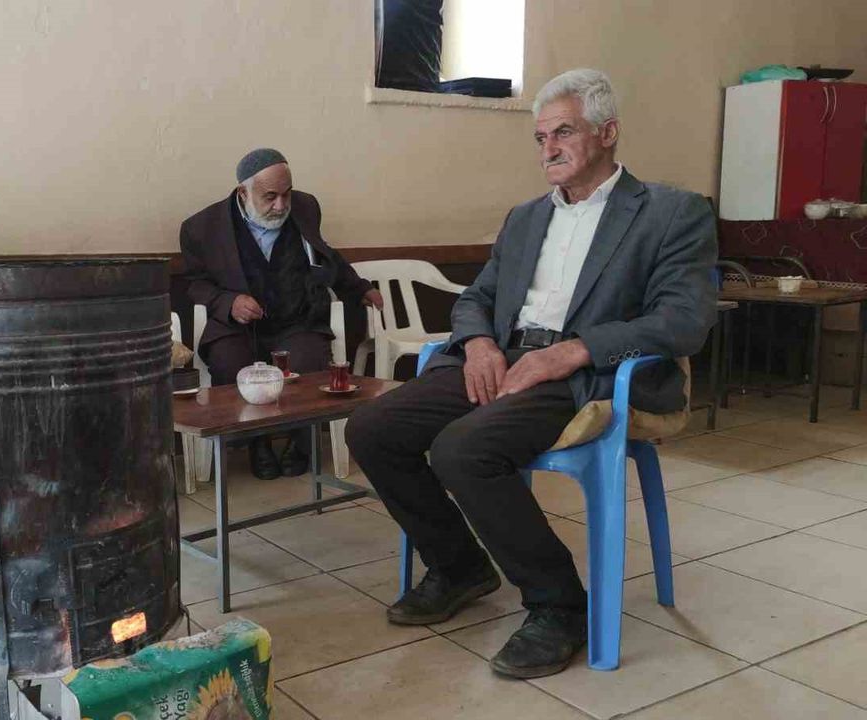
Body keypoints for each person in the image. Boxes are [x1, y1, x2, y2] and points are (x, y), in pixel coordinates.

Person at [346, 69, 717, 678]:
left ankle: (559, 606)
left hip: (583, 374)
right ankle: (461, 567)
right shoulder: (524, 218)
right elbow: (476, 297)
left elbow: (684, 321)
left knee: (463, 449)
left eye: (563, 132)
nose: (548, 148)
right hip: (505, 357)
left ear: (608, 133)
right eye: (541, 137)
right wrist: (479, 345)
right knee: (372, 429)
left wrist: (573, 351)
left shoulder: (672, 213)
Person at [180, 148, 383, 479]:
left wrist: (359, 288)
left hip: (296, 320)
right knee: (230, 361)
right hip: (238, 327)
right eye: (270, 196)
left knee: (308, 361)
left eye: (286, 193)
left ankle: (299, 443)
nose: (281, 205)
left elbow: (325, 254)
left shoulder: (305, 207)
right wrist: (228, 302)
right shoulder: (201, 228)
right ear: (243, 192)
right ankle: (257, 442)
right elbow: (196, 283)